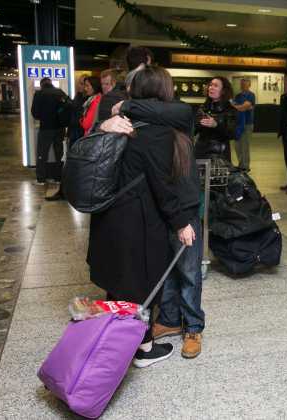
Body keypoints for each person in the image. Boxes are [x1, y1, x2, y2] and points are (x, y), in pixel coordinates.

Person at [90, 65, 198, 367]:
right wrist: (181, 224)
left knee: (119, 281)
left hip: (110, 214)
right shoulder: (157, 132)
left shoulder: (120, 120)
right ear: (163, 91)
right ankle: (143, 348)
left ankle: (113, 341)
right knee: (143, 284)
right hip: (138, 219)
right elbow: (160, 184)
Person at [30, 77, 68, 186]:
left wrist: (43, 117)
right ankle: (58, 178)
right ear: (51, 83)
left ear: (42, 84)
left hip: (45, 128)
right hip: (60, 128)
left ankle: (41, 179)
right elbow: (68, 107)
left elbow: (35, 113)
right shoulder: (60, 92)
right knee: (59, 153)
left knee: (42, 153)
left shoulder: (39, 94)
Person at [195, 76, 237, 163]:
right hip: (200, 153)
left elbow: (232, 134)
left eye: (216, 86)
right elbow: (194, 130)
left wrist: (216, 125)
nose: (211, 88)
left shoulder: (230, 110)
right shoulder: (203, 108)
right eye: (210, 85)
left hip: (219, 155)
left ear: (223, 91)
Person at [233, 78, 255, 171]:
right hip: (237, 124)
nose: (243, 86)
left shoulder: (251, 95)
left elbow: (243, 107)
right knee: (237, 145)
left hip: (247, 124)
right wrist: (240, 107)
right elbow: (235, 107)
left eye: (245, 84)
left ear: (249, 85)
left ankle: (246, 166)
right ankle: (241, 164)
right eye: (242, 84)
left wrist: (237, 107)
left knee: (245, 146)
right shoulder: (237, 96)